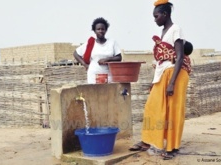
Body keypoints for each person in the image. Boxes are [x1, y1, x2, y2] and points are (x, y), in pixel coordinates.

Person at [129, 0, 192, 160]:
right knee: (152, 106)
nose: (155, 19)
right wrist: (156, 80)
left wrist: (172, 83)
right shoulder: (163, 32)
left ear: (165, 14)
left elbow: (179, 57)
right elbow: (161, 62)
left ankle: (172, 148)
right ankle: (147, 141)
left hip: (175, 73)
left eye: (156, 16)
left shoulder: (175, 30)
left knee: (174, 111)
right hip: (164, 73)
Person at [73, 17, 122, 84]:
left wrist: (107, 59)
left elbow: (119, 57)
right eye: (98, 29)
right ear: (94, 31)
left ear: (106, 30)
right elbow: (76, 53)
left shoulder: (112, 42)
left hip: (109, 74)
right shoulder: (91, 43)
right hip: (93, 74)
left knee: (108, 93)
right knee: (94, 93)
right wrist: (85, 64)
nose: (100, 31)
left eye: (102, 29)